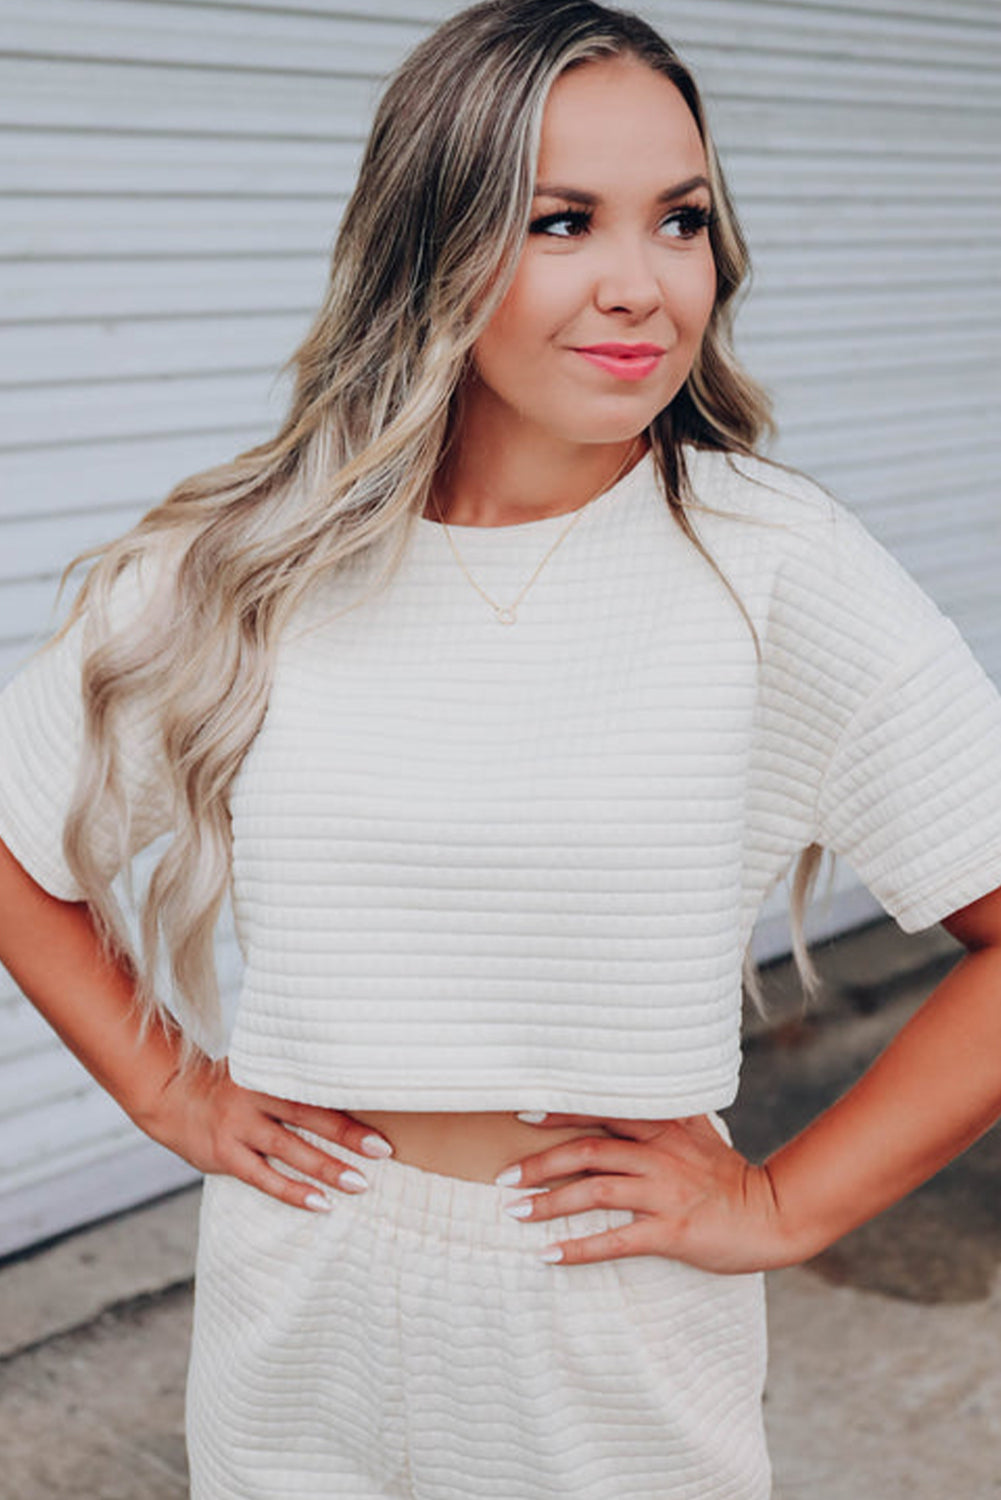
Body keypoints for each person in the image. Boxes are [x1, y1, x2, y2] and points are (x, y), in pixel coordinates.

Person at [2, 1, 1001, 1495]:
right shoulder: (255, 558)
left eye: (678, 221)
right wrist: (170, 1093)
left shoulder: (769, 564)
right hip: (301, 1286)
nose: (641, 286)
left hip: (604, 1318)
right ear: (430, 244)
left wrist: (784, 1208)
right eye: (560, 221)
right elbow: (25, 836)